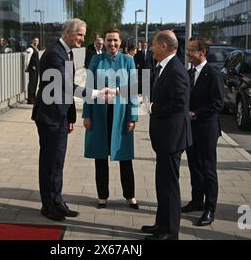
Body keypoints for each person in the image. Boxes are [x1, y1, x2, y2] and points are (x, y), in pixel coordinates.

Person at [31, 19, 114, 222]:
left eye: (83, 35)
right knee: (50, 162)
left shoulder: (66, 52)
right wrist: (95, 94)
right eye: (79, 35)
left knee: (57, 162)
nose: (82, 39)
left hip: (59, 116)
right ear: (68, 32)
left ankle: (57, 201)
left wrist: (69, 117)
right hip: (49, 117)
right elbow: (65, 86)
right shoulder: (54, 54)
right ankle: (48, 205)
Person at [141, 30, 192, 240]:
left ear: (163, 46)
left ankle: (170, 233)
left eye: (153, 44)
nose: (151, 47)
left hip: (172, 138)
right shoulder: (164, 67)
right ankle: (161, 225)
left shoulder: (176, 70)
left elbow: (179, 104)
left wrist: (153, 107)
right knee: (162, 184)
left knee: (169, 187)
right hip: (164, 138)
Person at [83, 28, 139, 209]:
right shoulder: (96, 60)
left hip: (121, 116)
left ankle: (130, 195)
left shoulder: (128, 61)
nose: (112, 44)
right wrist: (86, 114)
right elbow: (89, 89)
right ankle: (102, 196)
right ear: (104, 42)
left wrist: (133, 116)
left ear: (120, 42)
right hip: (99, 115)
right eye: (109, 40)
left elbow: (133, 90)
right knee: (100, 157)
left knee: (125, 157)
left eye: (115, 40)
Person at [182, 37, 224, 226]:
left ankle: (210, 208)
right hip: (191, 129)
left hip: (207, 129)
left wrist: (195, 113)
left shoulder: (213, 73)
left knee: (208, 169)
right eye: (187, 49)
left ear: (202, 52)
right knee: (194, 167)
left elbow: (218, 103)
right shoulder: (189, 73)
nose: (187, 53)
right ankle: (197, 200)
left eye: (191, 50)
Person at [25, 37, 40, 104]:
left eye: (37, 41)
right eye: (35, 41)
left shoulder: (36, 48)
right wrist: (27, 67)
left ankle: (33, 98)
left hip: (36, 68)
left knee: (35, 84)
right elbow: (27, 59)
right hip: (32, 68)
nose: (36, 42)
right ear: (32, 41)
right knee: (31, 84)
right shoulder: (30, 49)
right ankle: (30, 99)